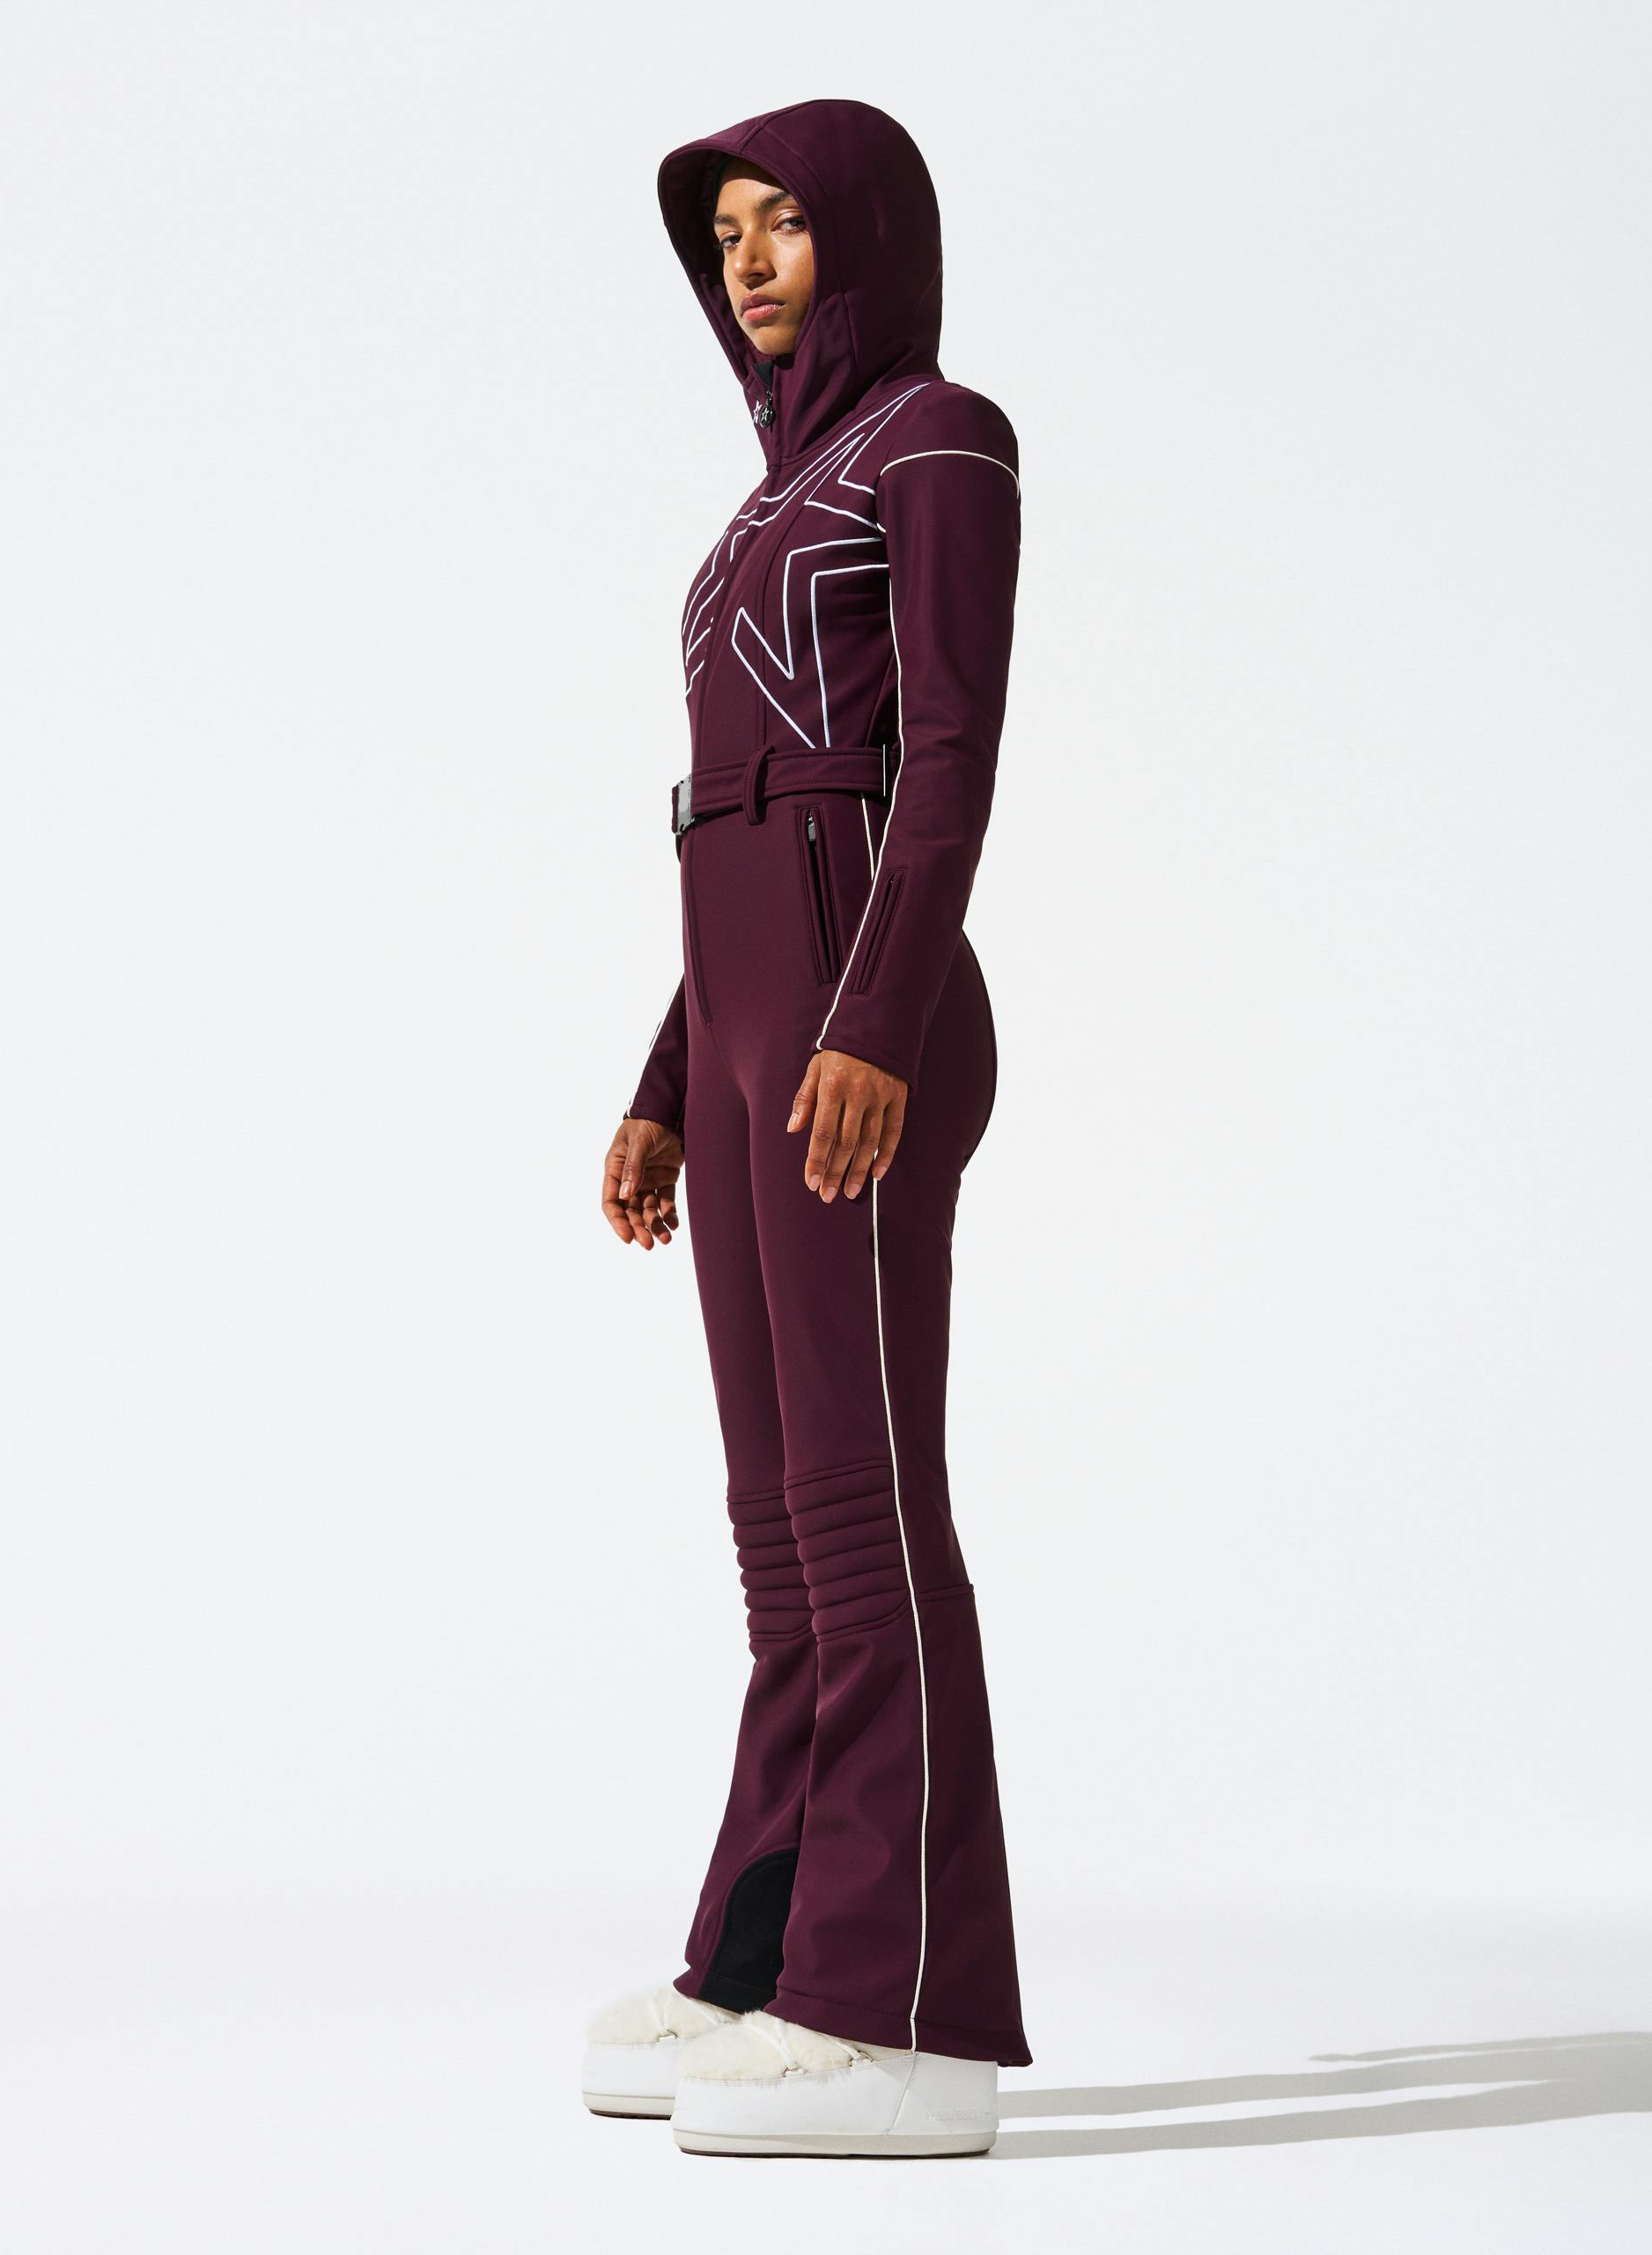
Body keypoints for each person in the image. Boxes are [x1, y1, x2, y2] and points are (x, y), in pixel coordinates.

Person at [584, 98, 1031, 2160]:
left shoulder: (936, 440)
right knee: (780, 1533)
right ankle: (765, 1960)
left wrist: (872, 1019)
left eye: (784, 223)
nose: (750, 260)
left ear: (866, 235)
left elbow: (942, 755)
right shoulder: (759, 509)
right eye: (726, 235)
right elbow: (737, 827)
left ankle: (906, 2012)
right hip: (756, 1015)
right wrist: (671, 1078)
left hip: (869, 1016)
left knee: (863, 1514)